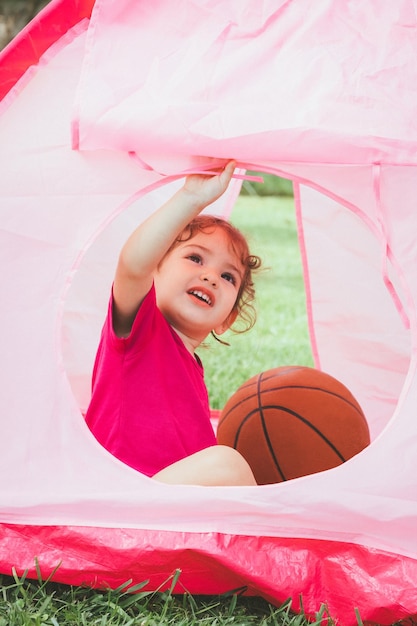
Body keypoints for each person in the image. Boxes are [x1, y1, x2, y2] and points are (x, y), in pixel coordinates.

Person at [85, 160, 262, 486]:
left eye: (227, 277)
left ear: (227, 320)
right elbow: (132, 265)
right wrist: (191, 197)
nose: (210, 276)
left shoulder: (192, 373)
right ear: (155, 271)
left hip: (164, 515)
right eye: (195, 258)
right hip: (116, 502)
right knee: (227, 465)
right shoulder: (139, 331)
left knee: (225, 461)